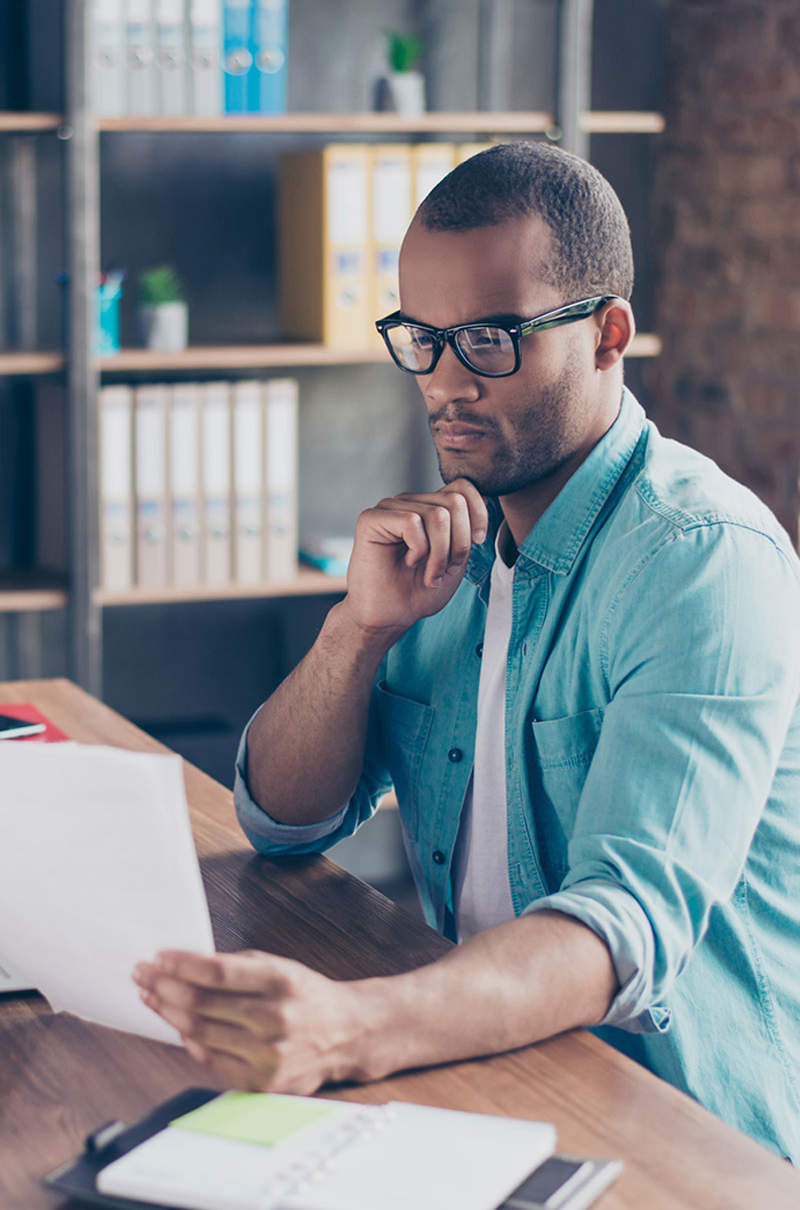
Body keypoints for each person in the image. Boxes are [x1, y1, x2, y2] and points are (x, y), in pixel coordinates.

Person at [133, 143, 800, 1161]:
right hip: (488, 1072)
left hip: (677, 1132)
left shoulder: (701, 562)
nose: (444, 382)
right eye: (422, 338)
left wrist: (348, 1029)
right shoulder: (451, 547)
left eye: (489, 339)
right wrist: (359, 630)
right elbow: (283, 820)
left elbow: (622, 928)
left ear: (608, 333)